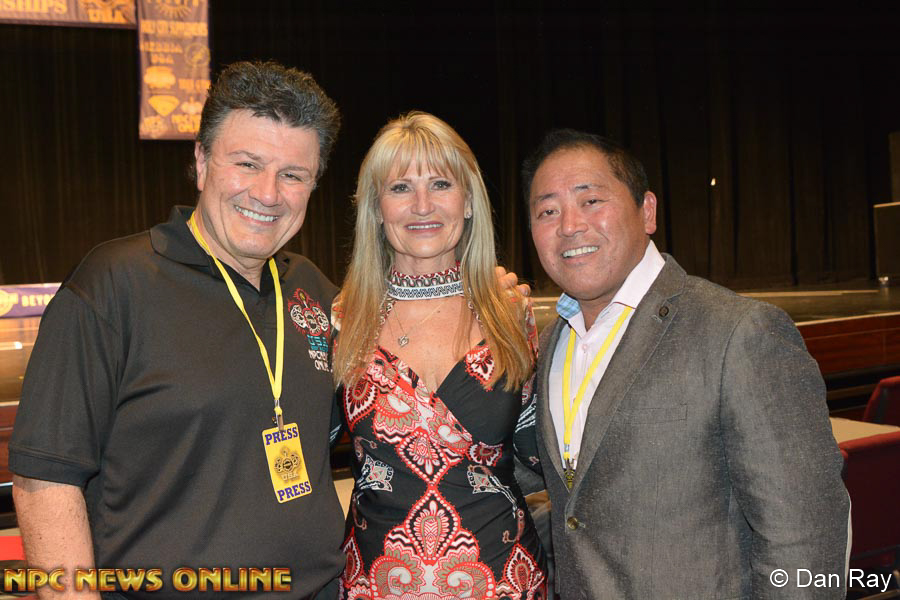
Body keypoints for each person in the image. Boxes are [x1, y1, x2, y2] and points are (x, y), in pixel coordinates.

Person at [10, 61, 347, 599]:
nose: (268, 193)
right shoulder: (114, 284)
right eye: (247, 164)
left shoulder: (314, 289)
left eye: (293, 175)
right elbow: (44, 479)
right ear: (201, 162)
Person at [523, 129, 850, 599]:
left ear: (647, 211)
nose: (570, 225)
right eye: (547, 211)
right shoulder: (549, 345)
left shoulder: (738, 333)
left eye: (591, 200)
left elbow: (806, 540)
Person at [332, 112, 547, 598]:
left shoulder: (511, 311)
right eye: (400, 187)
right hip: (374, 585)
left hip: (502, 582)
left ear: (468, 201)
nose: (422, 205)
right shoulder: (343, 320)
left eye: (441, 184)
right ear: (376, 208)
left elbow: (545, 454)